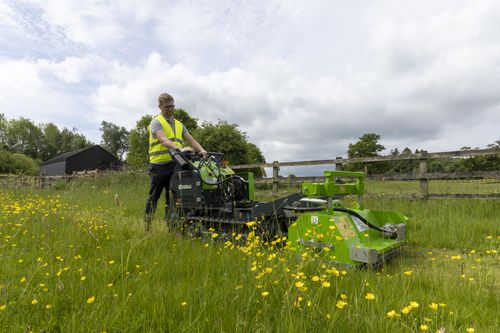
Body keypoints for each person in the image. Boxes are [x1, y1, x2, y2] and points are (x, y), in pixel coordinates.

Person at [144, 93, 207, 231]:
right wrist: (179, 148)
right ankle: (147, 226)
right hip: (158, 166)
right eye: (167, 107)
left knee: (173, 198)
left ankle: (171, 227)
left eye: (172, 106)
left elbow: (190, 139)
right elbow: (163, 140)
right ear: (160, 107)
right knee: (154, 196)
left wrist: (202, 150)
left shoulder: (179, 124)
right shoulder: (156, 122)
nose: (170, 109)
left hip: (175, 165)